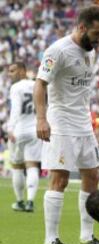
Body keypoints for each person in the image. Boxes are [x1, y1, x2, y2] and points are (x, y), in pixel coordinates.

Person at [34, 5, 99, 244]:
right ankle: (51, 241)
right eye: (96, 33)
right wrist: (41, 119)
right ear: (81, 27)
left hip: (83, 123)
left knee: (93, 176)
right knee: (60, 179)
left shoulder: (91, 51)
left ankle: (87, 238)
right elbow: (40, 84)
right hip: (61, 123)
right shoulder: (58, 50)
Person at [8, 62, 42, 212]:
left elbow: (15, 109)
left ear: (23, 70)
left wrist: (10, 128)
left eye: (13, 70)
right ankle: (30, 201)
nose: (11, 74)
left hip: (19, 130)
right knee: (32, 165)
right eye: (9, 71)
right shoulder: (36, 84)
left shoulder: (16, 87)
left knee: (17, 166)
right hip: (35, 129)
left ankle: (20, 201)